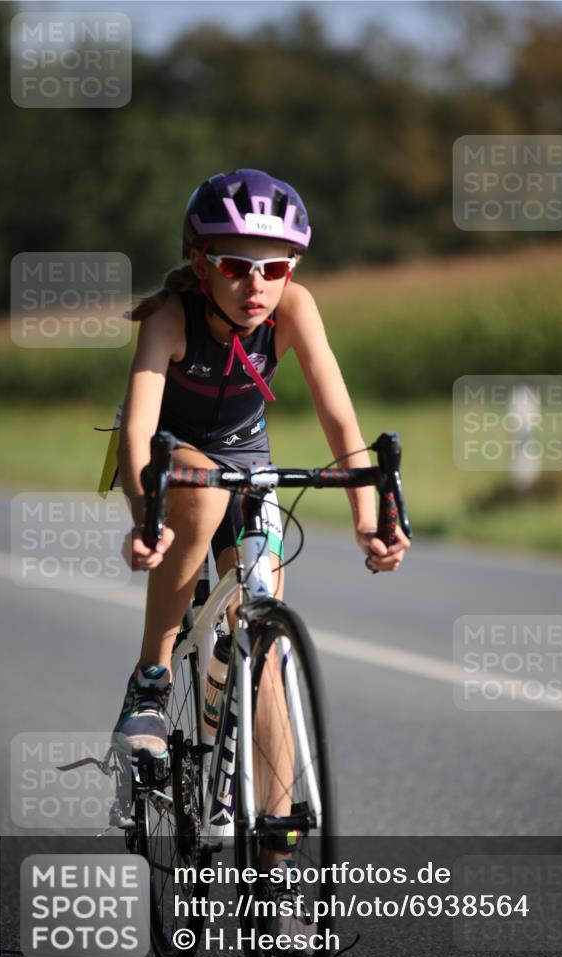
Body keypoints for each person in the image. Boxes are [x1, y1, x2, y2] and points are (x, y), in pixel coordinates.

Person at [111, 168, 410, 761]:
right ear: (201, 264)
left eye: (274, 268)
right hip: (167, 452)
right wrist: (148, 517)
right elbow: (140, 429)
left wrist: (366, 521)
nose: (257, 283)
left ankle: (274, 834)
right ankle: (150, 679)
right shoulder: (169, 317)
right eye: (234, 266)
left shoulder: (295, 307)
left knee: (263, 637)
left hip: (245, 452)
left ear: (290, 270)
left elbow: (341, 422)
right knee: (203, 499)